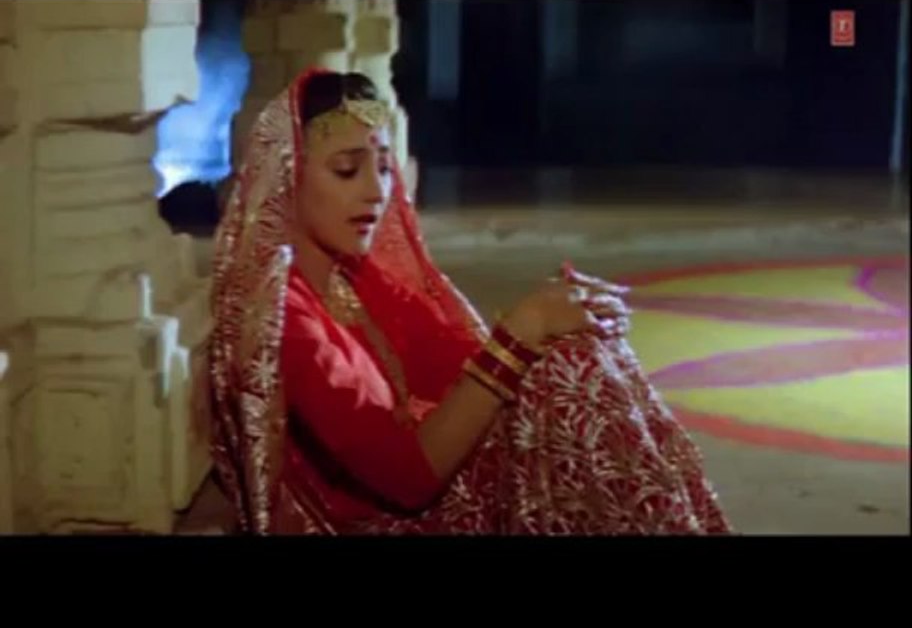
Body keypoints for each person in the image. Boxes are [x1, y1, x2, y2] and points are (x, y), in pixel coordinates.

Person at [208, 67, 733, 535]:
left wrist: (547, 320)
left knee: (574, 354)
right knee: (569, 379)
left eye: (385, 168)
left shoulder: (350, 280)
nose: (376, 191)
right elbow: (409, 481)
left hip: (433, 482)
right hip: (387, 518)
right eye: (347, 170)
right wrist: (521, 333)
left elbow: (455, 361)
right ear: (286, 180)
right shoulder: (283, 318)